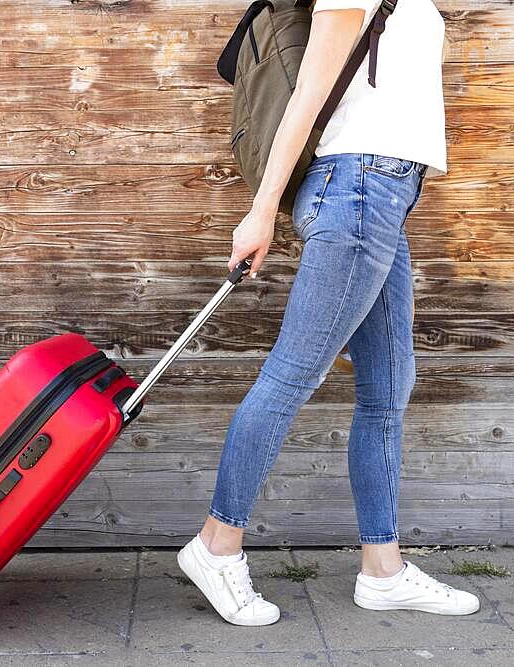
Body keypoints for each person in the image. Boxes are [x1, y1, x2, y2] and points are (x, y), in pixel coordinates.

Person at [176, 0, 480, 625]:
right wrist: (261, 211)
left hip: (384, 198)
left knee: (386, 392)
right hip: (359, 189)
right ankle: (216, 544)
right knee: (291, 377)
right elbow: (308, 92)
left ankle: (383, 570)